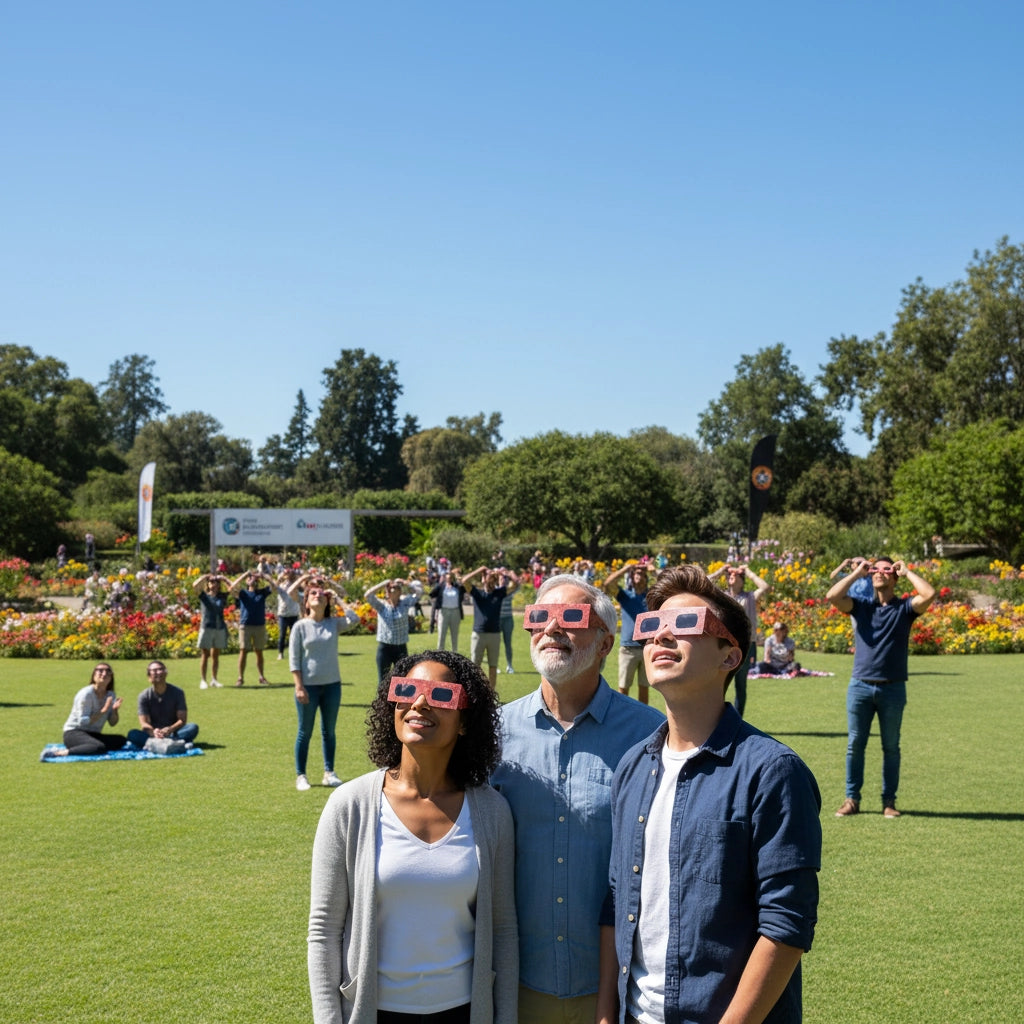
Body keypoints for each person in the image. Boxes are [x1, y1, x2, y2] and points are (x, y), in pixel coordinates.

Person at [599, 565, 822, 1024]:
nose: (661, 637)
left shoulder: (772, 771)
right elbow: (617, 899)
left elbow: (786, 924)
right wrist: (606, 1013)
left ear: (729, 657)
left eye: (684, 625)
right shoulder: (632, 767)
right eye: (651, 626)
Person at [308, 650, 518, 1024]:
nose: (419, 703)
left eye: (441, 695)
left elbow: (502, 930)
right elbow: (324, 929)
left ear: (465, 720)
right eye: (406, 691)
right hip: (374, 1011)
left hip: (464, 1011)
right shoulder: (349, 805)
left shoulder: (491, 812)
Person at [490, 574, 664, 1022]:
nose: (552, 628)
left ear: (606, 644)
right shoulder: (492, 734)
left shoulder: (650, 734)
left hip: (619, 989)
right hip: (515, 985)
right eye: (540, 617)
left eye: (571, 617)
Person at [826, 556, 936, 818]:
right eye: (876, 570)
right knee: (855, 745)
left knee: (891, 747)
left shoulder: (905, 608)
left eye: (886, 570)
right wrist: (857, 574)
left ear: (894, 577)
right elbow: (832, 596)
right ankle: (852, 800)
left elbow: (929, 594)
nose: (879, 573)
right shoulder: (861, 607)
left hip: (893, 688)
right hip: (860, 686)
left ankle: (889, 802)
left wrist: (907, 571)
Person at [289, 573, 361, 792]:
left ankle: (329, 772)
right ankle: (301, 775)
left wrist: (336, 598)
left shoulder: (333, 624)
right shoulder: (300, 626)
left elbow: (355, 619)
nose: (317, 596)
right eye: (313, 593)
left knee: (329, 731)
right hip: (307, 687)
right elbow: (294, 659)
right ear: (306, 600)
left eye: (321, 594)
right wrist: (299, 686)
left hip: (332, 685)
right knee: (305, 731)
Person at [709, 561, 771, 717]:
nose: (732, 576)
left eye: (736, 575)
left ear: (743, 581)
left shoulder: (749, 597)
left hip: (746, 646)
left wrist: (748, 571)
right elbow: (705, 583)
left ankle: (737, 718)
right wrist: (721, 570)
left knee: (740, 685)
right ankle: (716, 717)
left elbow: (765, 587)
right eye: (730, 575)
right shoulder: (722, 597)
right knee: (719, 683)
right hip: (723, 645)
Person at [602, 561, 654, 704]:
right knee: (623, 688)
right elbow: (608, 584)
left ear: (646, 577)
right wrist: (626, 568)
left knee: (644, 688)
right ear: (631, 577)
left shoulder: (651, 596)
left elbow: (670, 586)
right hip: (628, 649)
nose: (639, 575)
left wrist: (653, 570)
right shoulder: (625, 595)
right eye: (636, 573)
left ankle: (643, 719)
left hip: (646, 649)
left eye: (642, 573)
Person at [461, 567, 519, 688]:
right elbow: (464, 581)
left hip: (494, 635)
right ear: (483, 579)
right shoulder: (477, 593)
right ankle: (475, 692)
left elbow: (516, 583)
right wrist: (480, 570)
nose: (490, 578)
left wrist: (506, 573)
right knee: (475, 666)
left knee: (493, 666)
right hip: (478, 635)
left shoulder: (500, 592)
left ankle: (491, 696)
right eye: (487, 576)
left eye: (492, 577)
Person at [228, 569, 287, 687]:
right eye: (250, 578)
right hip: (246, 626)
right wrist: (245, 574)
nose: (252, 579)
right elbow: (231, 587)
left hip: (259, 625)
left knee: (259, 652)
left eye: (254, 578)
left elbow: (275, 586)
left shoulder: (262, 592)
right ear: (247, 581)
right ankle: (240, 678)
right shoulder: (243, 593)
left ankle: (261, 677)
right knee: (243, 651)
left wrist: (264, 576)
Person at [363, 576, 425, 684]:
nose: (393, 589)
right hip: (384, 648)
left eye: (396, 587)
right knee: (382, 681)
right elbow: (367, 595)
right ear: (387, 592)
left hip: (400, 648)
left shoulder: (405, 603)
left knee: (401, 681)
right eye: (390, 588)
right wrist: (383, 583)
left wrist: (405, 582)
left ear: (400, 591)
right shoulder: (382, 605)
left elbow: (420, 592)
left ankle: (399, 701)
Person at [126, 661, 199, 748]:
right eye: (155, 670)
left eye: (161, 669)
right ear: (149, 676)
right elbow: (144, 723)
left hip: (173, 731)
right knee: (132, 734)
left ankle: (156, 744)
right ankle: (174, 743)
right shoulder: (144, 696)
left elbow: (182, 720)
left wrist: (169, 729)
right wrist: (154, 732)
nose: (159, 672)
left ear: (166, 673)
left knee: (192, 727)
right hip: (152, 733)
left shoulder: (178, 692)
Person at [60, 663, 128, 755]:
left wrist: (115, 711)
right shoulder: (86, 694)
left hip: (93, 734)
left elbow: (112, 723)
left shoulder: (110, 695)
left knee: (121, 740)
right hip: (74, 733)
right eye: (100, 671)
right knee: (99, 747)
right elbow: (83, 721)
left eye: (108, 671)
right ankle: (65, 752)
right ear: (94, 674)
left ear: (111, 677)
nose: (104, 674)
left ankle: (88, 746)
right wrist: (103, 711)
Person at [192, 572, 229, 688]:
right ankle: (203, 680)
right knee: (205, 654)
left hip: (219, 628)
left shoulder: (222, 596)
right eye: (211, 582)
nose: (214, 584)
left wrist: (224, 579)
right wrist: (204, 577)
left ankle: (214, 679)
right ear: (208, 584)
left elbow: (233, 588)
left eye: (216, 582)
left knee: (215, 655)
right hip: (207, 627)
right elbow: (194, 586)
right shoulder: (204, 596)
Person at [432, 570, 467, 653]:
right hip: (443, 612)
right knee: (441, 634)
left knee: (454, 634)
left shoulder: (457, 587)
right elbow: (432, 593)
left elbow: (465, 589)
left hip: (455, 611)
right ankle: (440, 652)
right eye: (447, 578)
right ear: (445, 578)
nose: (449, 579)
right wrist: (439, 583)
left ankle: (455, 652)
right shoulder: (441, 586)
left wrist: (459, 578)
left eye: (450, 577)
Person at [275, 568, 302, 660]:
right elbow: (274, 586)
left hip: (294, 613)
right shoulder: (282, 586)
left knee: (294, 635)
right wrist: (280, 577)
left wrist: (295, 576)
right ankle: (280, 653)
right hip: (283, 614)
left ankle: (293, 652)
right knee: (282, 635)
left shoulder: (296, 586)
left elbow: (301, 585)